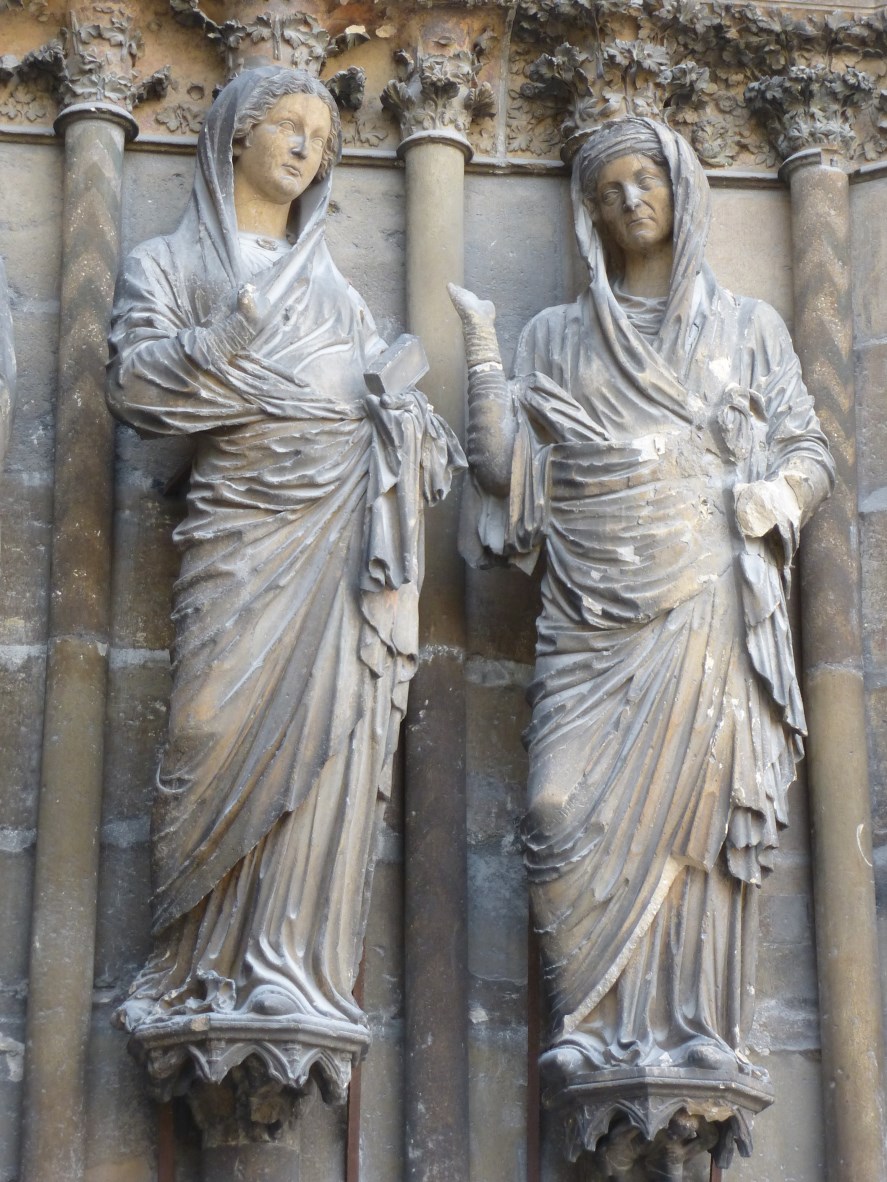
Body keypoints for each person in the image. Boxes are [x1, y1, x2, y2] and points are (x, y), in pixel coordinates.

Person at [450, 117, 834, 1083]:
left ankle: (696, 1027)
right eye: (609, 190)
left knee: (697, 827)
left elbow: (807, 447)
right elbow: (506, 475)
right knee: (553, 802)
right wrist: (486, 360)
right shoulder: (557, 336)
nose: (630, 201)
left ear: (683, 190)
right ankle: (585, 1018)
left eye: (645, 180)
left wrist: (778, 493)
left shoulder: (748, 328)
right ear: (588, 215)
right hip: (589, 612)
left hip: (704, 596)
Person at [108, 66, 464, 1089]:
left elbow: (394, 415)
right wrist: (227, 339)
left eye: (321, 134)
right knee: (210, 726)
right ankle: (196, 969)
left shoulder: (336, 289)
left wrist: (409, 416)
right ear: (231, 137)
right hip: (241, 538)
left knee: (330, 749)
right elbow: (135, 380)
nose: (306, 147)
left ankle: (288, 963)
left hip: (338, 540)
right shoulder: (165, 262)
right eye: (288, 126)